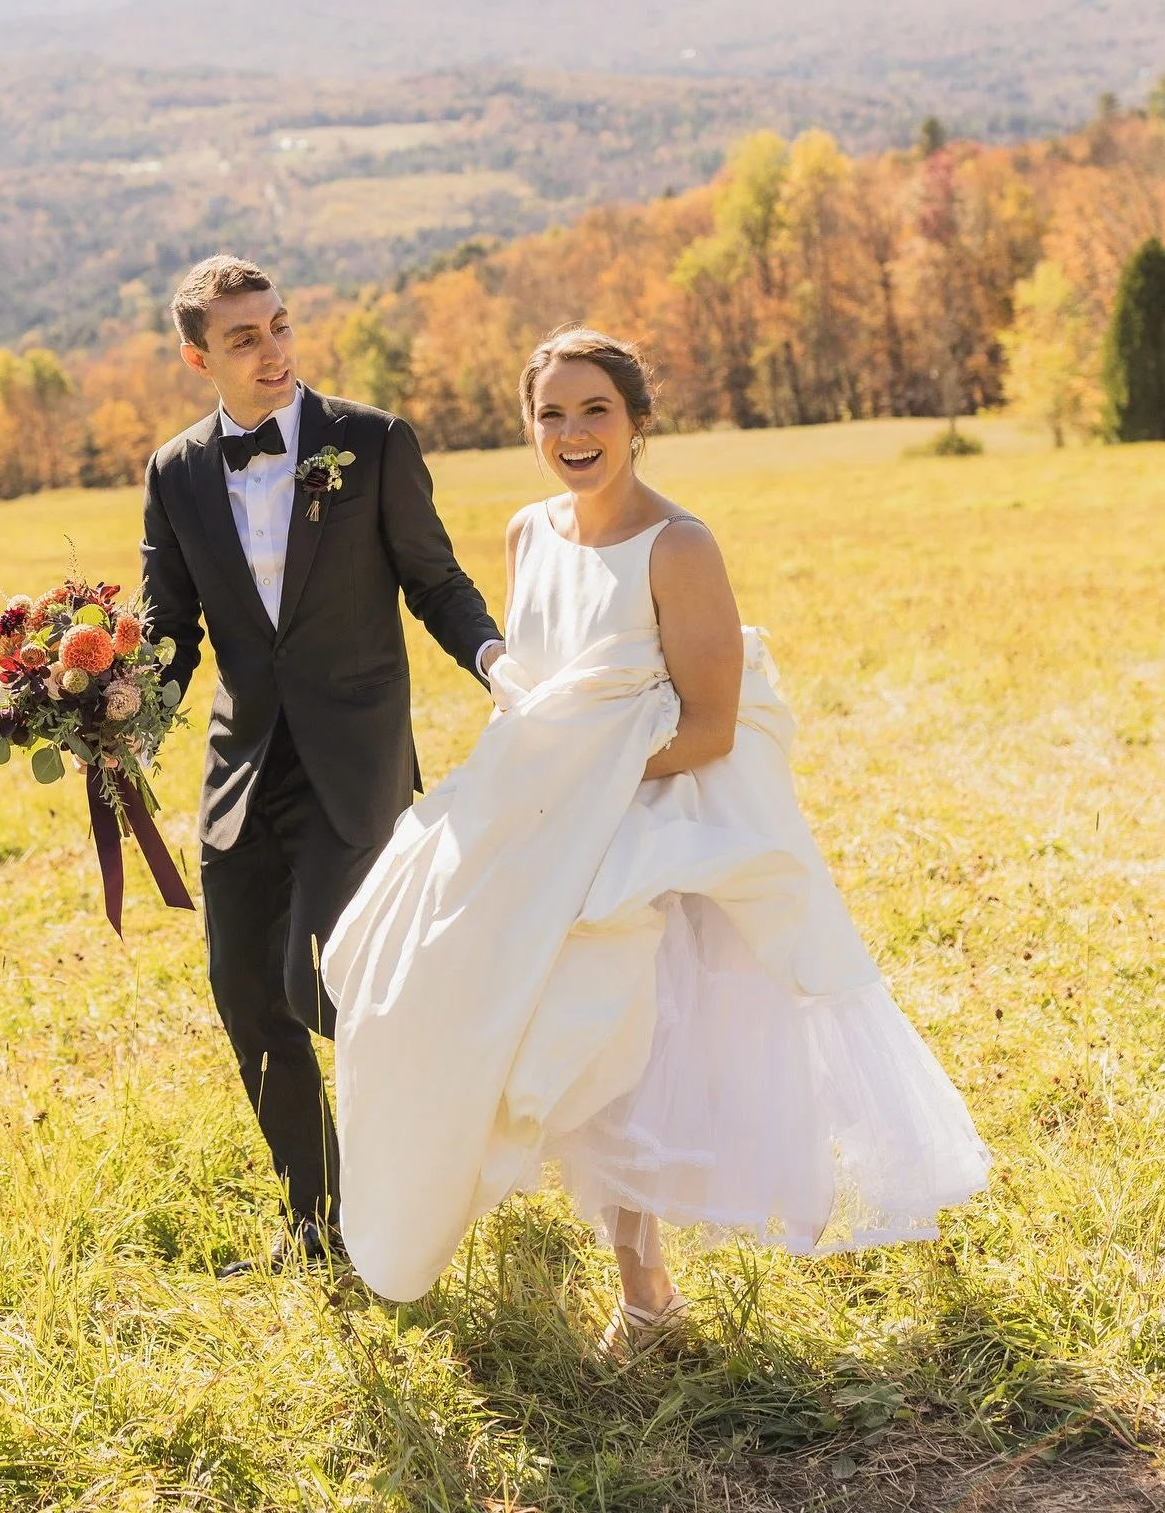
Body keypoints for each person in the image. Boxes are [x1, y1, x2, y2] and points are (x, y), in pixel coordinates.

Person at [322, 327, 989, 1347]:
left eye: (596, 410)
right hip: (549, 823)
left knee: (625, 1040)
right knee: (433, 978)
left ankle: (645, 1297)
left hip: (653, 823)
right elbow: (544, 701)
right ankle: (516, 1239)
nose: (573, 432)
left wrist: (583, 785)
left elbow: (710, 728)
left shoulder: (679, 546)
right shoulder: (526, 534)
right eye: (552, 413)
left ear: (639, 422)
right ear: (528, 424)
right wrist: (527, 795)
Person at [141, 255, 503, 1271]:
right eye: (245, 337)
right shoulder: (175, 473)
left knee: (328, 987)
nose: (273, 351)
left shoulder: (373, 442)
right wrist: (111, 714)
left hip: (357, 754)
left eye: (281, 327)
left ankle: (436, 1149)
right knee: (242, 989)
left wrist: (493, 658)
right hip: (243, 767)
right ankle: (321, 1219)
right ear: (197, 356)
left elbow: (435, 579)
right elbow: (171, 631)